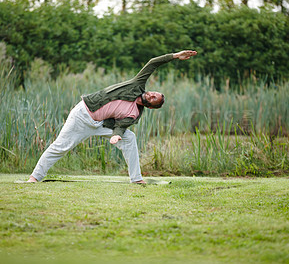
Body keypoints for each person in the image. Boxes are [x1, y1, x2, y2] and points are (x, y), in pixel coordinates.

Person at [27, 50, 197, 184]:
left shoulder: (135, 114)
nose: (151, 94)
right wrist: (175, 56)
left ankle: (136, 179)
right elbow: (153, 63)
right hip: (83, 115)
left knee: (129, 138)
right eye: (153, 93)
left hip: (100, 124)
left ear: (151, 106)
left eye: (154, 98)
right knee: (60, 147)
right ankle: (34, 177)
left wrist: (117, 135)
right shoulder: (137, 85)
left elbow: (121, 126)